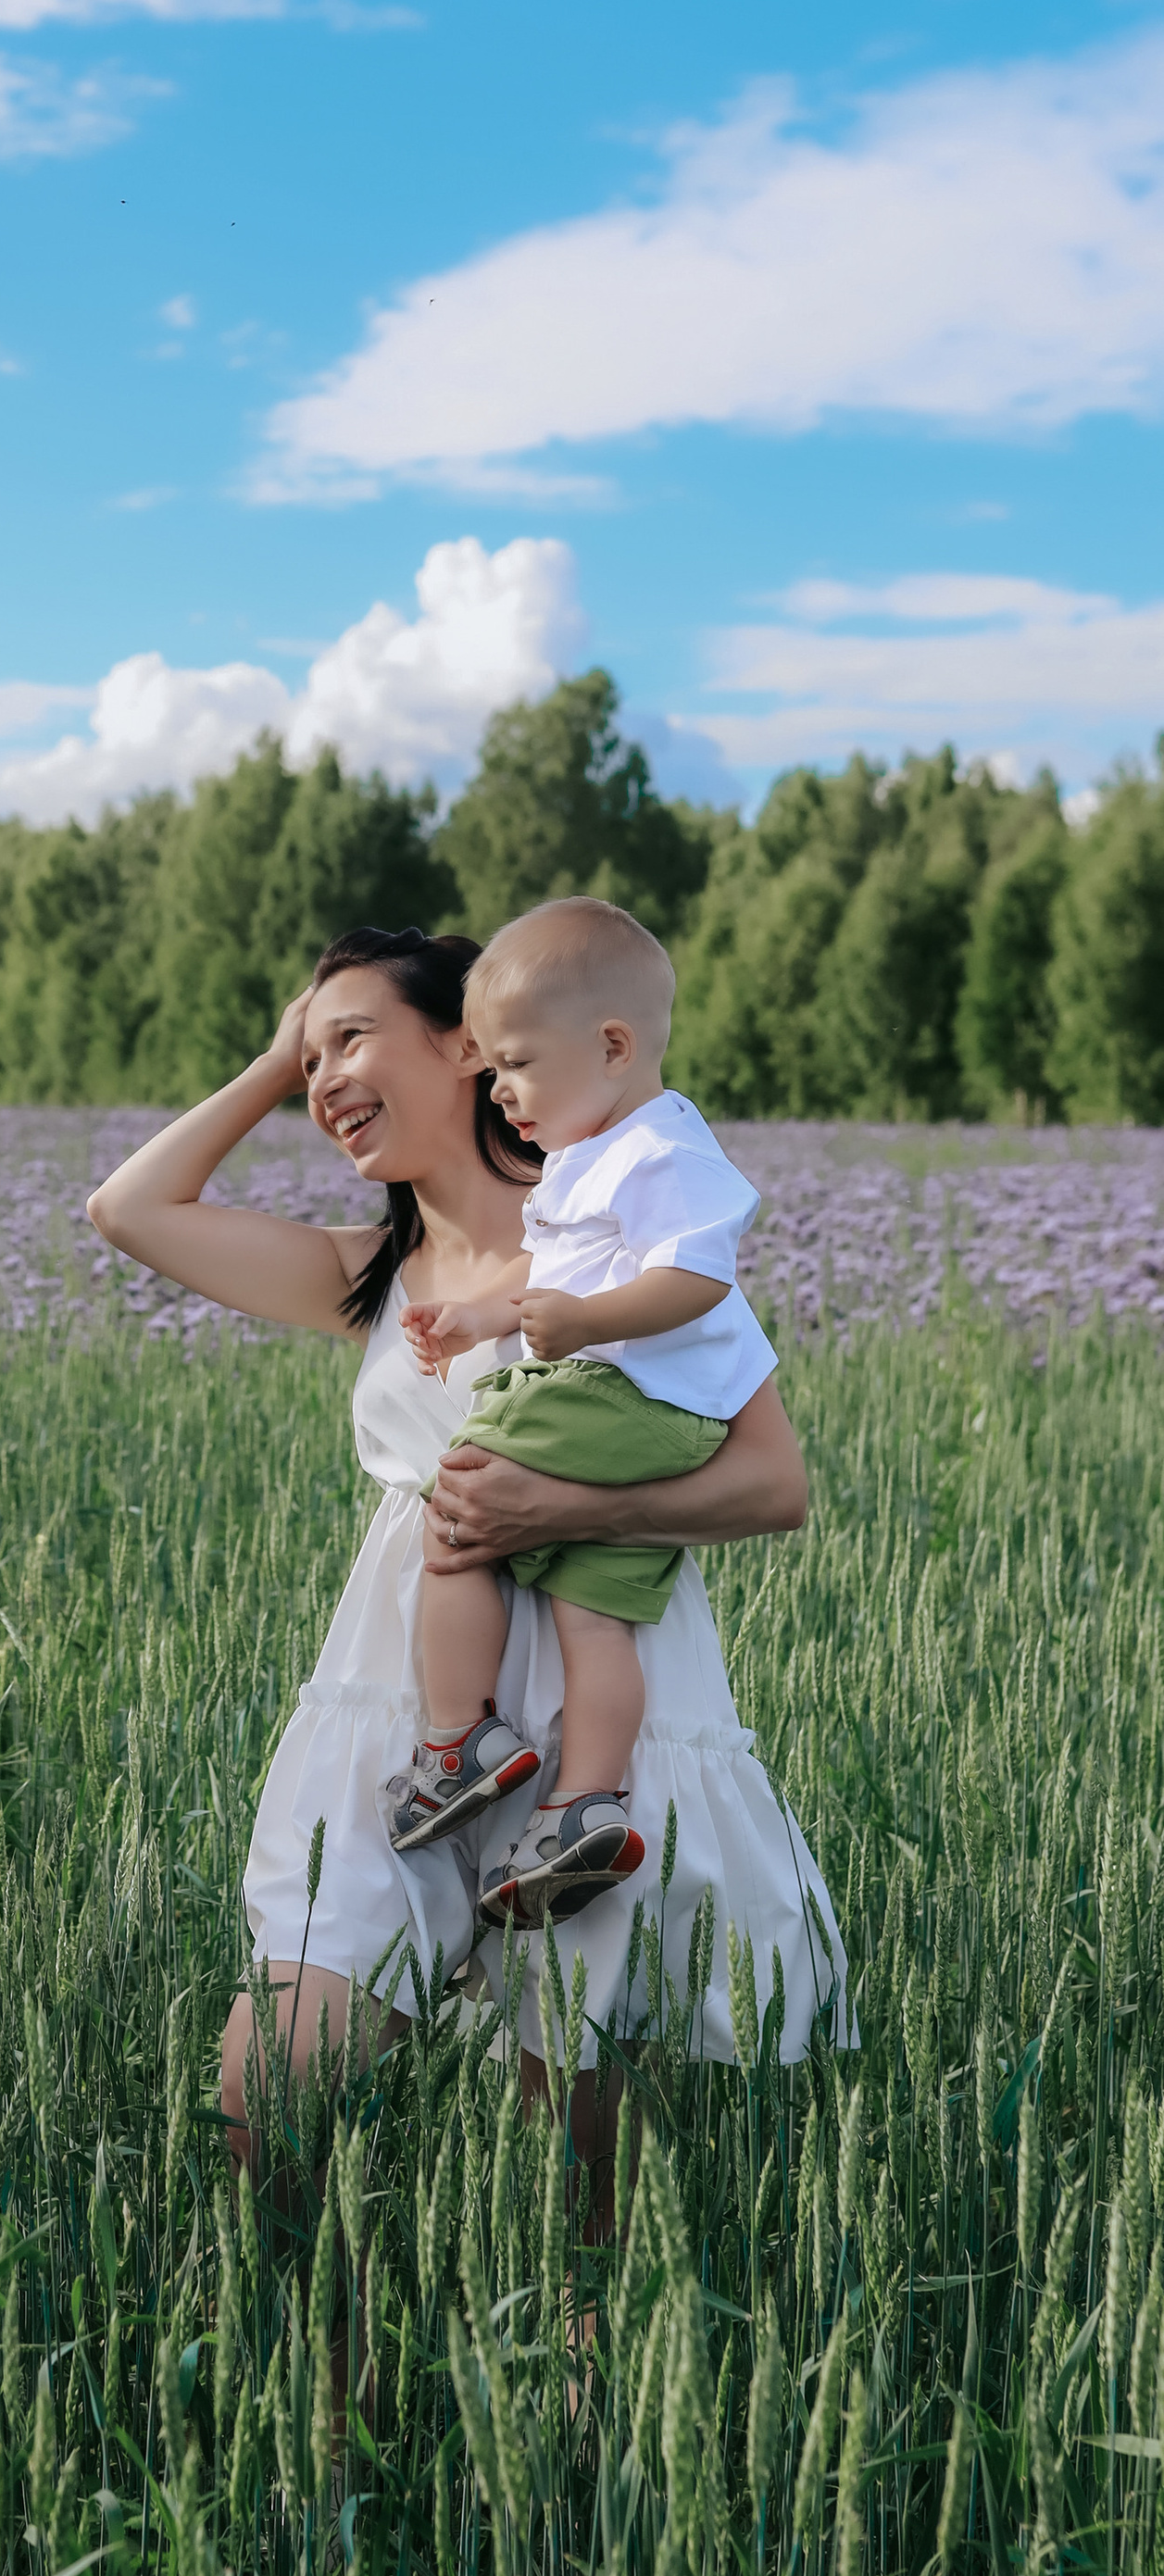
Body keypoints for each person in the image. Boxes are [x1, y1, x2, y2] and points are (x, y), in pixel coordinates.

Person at [85, 921, 845, 2232]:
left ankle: (574, 2400)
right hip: (404, 1714)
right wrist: (280, 1059)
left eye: (352, 1040)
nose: (324, 1080)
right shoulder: (368, 1278)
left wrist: (570, 1500)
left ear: (467, 1048)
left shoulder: (629, 1266)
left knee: (574, 2175)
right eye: (308, 1054)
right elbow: (128, 1210)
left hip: (597, 1709)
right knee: (273, 2084)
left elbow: (774, 1484)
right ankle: (328, 2377)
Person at [396, 896, 779, 1928]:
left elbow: (697, 1278)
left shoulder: (660, 1152)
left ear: (612, 1045)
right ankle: (585, 1806)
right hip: (645, 1412)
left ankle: (455, 1741)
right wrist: (480, 1313)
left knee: (461, 1498)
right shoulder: (597, 1156)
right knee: (593, 1614)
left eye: (515, 1063)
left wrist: (581, 1325)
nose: (501, 1092)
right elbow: (549, 1272)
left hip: (625, 1396)